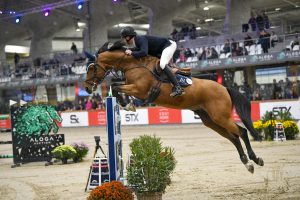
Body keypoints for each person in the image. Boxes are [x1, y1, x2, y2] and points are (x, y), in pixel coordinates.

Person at [120, 26, 185, 97]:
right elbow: (137, 50)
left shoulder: (140, 39)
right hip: (161, 50)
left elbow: (144, 52)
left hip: (169, 45)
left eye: (123, 38)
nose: (123, 40)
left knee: (162, 64)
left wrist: (131, 53)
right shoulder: (137, 41)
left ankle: (178, 88)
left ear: (128, 37)